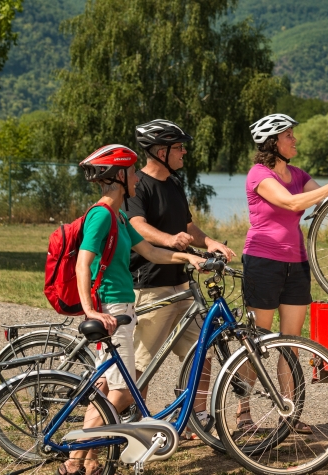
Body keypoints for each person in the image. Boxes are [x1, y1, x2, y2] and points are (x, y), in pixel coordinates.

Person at [60, 144, 205, 475]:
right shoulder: (101, 215)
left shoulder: (119, 216)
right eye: (133, 172)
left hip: (121, 308)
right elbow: (84, 263)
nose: (138, 179)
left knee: (110, 389)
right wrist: (90, 311)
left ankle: (90, 461)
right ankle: (73, 459)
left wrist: (189, 258)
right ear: (120, 176)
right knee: (124, 392)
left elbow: (152, 253)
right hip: (112, 309)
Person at [239, 113, 328, 432]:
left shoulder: (298, 173)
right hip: (262, 263)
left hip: (296, 264)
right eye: (289, 135)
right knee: (258, 340)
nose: (295, 139)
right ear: (272, 141)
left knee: (291, 343)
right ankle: (242, 409)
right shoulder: (258, 174)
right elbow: (291, 204)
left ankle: (288, 415)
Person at [127, 119, 235, 433]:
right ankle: (132, 423)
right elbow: (137, 224)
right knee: (140, 366)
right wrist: (168, 239)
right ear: (161, 151)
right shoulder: (139, 185)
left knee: (200, 353)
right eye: (179, 147)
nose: (184, 152)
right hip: (151, 285)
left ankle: (196, 419)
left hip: (182, 285)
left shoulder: (174, 183)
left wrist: (210, 241)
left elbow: (187, 226)